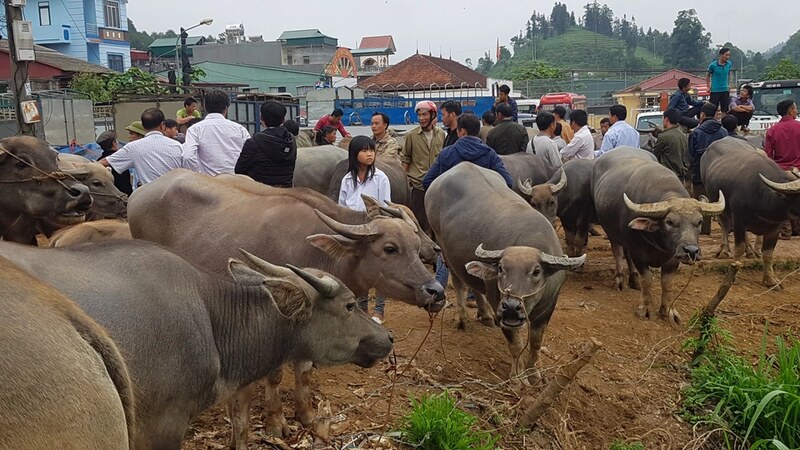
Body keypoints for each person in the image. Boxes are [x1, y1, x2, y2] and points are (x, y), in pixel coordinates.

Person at [338, 136, 391, 324]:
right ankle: (361, 310)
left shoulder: (380, 178)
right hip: (355, 230)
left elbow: (385, 207)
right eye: (364, 151)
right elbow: (341, 207)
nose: (369, 154)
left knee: (379, 270)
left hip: (375, 230)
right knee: (359, 270)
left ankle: (379, 310)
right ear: (354, 154)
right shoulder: (347, 179)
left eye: (372, 150)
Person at [98, 108, 182, 186]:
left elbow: (104, 162)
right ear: (162, 125)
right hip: (175, 196)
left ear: (144, 126)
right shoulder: (177, 146)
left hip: (148, 197)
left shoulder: (132, 147)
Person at [401, 100, 445, 234]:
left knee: (436, 223)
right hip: (418, 185)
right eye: (419, 115)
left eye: (424, 115)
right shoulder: (411, 136)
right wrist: (404, 180)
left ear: (432, 115)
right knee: (419, 223)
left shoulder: (441, 134)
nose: (421, 118)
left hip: (437, 186)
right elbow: (405, 159)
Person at [182, 90, 251, 176]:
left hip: (209, 184)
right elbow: (251, 155)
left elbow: (188, 157)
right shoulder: (240, 129)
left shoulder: (195, 130)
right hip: (237, 183)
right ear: (226, 108)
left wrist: (199, 176)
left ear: (205, 107)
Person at [235, 100, 297, 188]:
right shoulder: (291, 140)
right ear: (283, 119)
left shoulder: (253, 142)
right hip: (287, 192)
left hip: (261, 194)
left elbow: (239, 170)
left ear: (261, 118)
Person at [689, 102, 728, 234]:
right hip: (721, 172)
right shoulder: (724, 132)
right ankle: (725, 228)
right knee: (721, 200)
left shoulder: (696, 133)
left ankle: (704, 229)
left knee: (701, 202)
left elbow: (691, 155)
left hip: (700, 173)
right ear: (716, 115)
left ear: (702, 115)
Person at [765, 99, 800, 239]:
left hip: (781, 172)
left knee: (784, 202)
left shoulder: (772, 130)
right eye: (796, 109)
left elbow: (767, 155)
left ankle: (785, 231)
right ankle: (797, 229)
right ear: (790, 111)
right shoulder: (799, 127)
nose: (796, 111)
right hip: (798, 170)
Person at [652, 109, 690, 185]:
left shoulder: (664, 136)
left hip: (667, 177)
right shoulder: (682, 135)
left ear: (666, 119)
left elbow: (654, 155)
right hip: (681, 178)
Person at [96, 130, 133, 195]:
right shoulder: (120, 159)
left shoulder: (98, 161)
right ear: (113, 144)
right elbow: (125, 186)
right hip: (123, 198)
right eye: (116, 141)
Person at [706, 47, 733, 113]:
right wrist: (708, 86)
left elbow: (728, 74)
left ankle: (724, 122)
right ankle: (713, 122)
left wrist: (728, 84)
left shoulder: (729, 64)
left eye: (729, 55)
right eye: (726, 55)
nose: (727, 57)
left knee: (725, 109)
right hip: (715, 90)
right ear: (721, 55)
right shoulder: (713, 65)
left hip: (725, 90)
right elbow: (708, 75)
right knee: (713, 109)